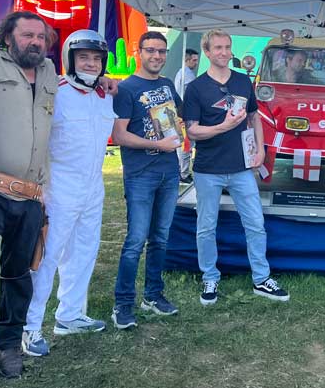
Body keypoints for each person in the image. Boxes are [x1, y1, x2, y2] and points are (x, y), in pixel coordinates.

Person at [22, 31, 116, 357]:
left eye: (96, 59)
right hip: (59, 187)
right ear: (69, 60)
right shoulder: (56, 92)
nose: (90, 64)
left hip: (93, 187)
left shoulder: (105, 95)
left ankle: (70, 315)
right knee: (46, 258)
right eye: (83, 58)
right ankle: (29, 327)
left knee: (84, 253)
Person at [183, 29, 289, 305]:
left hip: (242, 167)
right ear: (206, 52)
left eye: (227, 47)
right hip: (208, 168)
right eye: (217, 47)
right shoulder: (195, 88)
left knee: (255, 223)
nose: (223, 52)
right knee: (206, 226)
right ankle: (209, 276)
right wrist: (222, 127)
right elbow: (192, 131)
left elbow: (255, 117)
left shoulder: (243, 81)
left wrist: (261, 150)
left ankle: (261, 278)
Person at [110, 31, 183, 329]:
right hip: (141, 174)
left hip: (169, 171)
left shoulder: (166, 84)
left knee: (161, 238)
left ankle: (153, 295)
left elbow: (176, 116)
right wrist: (157, 145)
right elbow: (119, 135)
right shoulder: (127, 88)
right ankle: (122, 304)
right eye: (151, 50)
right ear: (139, 52)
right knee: (135, 241)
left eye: (161, 51)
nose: (157, 56)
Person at [174, 48, 199, 181]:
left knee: (185, 144)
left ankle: (182, 171)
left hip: (182, 113)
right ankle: (183, 173)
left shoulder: (182, 73)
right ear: (187, 60)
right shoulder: (187, 74)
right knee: (186, 145)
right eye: (194, 60)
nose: (196, 63)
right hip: (185, 114)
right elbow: (191, 95)